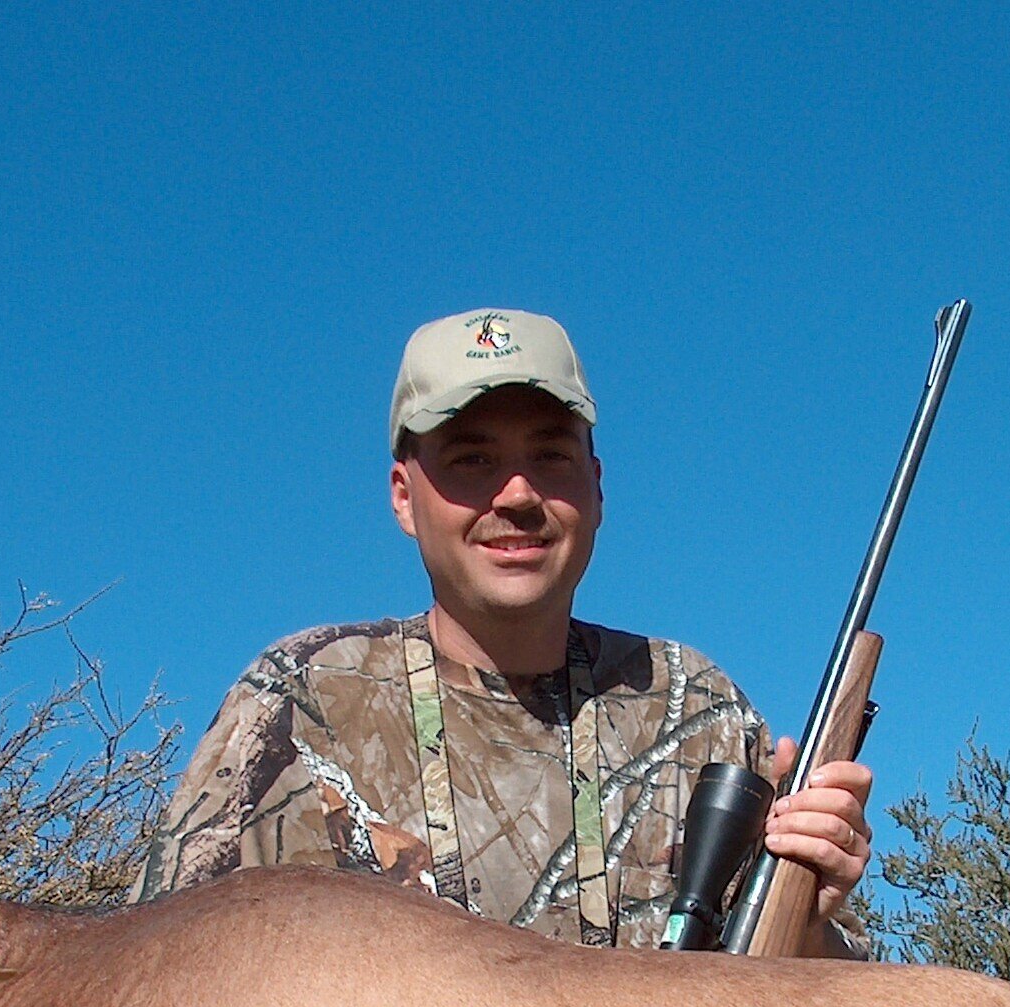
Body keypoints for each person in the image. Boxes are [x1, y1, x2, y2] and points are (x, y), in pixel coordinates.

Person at [130, 308, 875, 955]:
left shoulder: (694, 708)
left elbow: (815, 1004)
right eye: (472, 458)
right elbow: (153, 980)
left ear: (596, 483)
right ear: (403, 495)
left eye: (550, 455)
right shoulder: (304, 701)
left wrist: (812, 918)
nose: (517, 495)